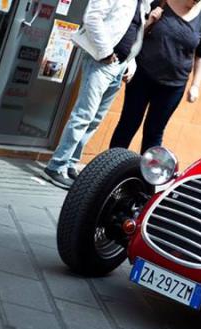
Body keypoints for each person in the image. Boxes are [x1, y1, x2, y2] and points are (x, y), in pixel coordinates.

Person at [42, 0, 152, 189]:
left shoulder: (142, 3)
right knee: (84, 115)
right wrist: (105, 52)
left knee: (94, 120)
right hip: (101, 61)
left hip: (119, 65)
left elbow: (134, 33)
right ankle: (56, 165)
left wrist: (129, 62)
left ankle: (69, 164)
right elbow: (92, 18)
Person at [109, 0, 201, 154]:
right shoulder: (160, 3)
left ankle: (147, 176)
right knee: (128, 123)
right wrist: (149, 21)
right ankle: (110, 167)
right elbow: (136, 33)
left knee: (154, 133)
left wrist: (195, 85)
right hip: (142, 75)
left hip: (174, 86)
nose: (196, 2)